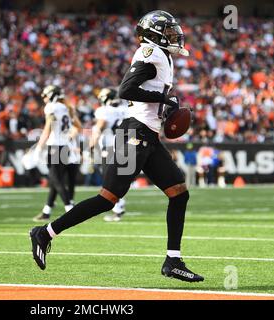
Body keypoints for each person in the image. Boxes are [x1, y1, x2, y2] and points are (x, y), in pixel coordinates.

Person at [30, 11, 204, 282]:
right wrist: (164, 99)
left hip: (147, 136)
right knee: (107, 199)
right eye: (168, 32)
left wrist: (164, 104)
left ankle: (173, 260)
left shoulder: (162, 55)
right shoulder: (150, 52)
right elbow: (126, 89)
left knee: (179, 193)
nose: (173, 36)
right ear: (154, 34)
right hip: (133, 134)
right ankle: (45, 232)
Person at [33, 85, 82, 222]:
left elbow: (48, 129)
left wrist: (38, 147)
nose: (43, 98)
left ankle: (69, 207)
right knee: (56, 179)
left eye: (45, 95)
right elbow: (78, 126)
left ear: (51, 95)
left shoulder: (52, 107)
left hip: (55, 146)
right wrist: (69, 137)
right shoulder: (67, 107)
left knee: (55, 179)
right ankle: (47, 211)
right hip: (65, 146)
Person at [90, 88, 128, 222]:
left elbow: (100, 127)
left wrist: (91, 145)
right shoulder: (124, 109)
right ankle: (119, 205)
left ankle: (117, 208)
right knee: (118, 178)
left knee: (109, 180)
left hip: (111, 147)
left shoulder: (104, 110)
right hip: (126, 145)